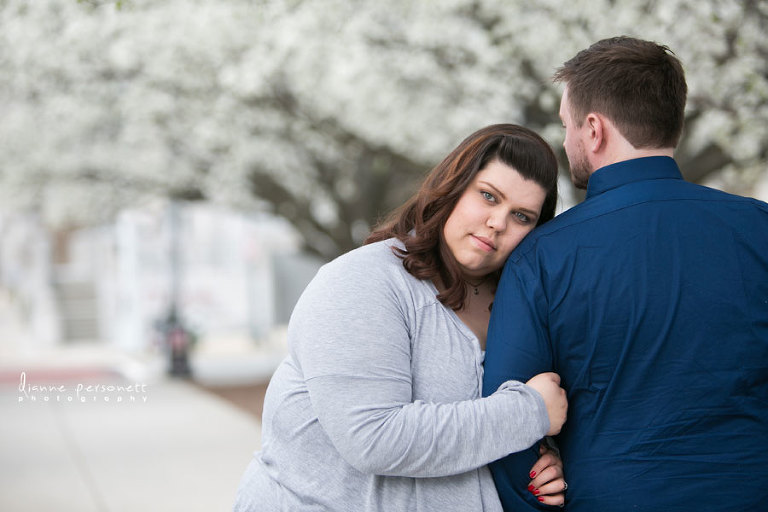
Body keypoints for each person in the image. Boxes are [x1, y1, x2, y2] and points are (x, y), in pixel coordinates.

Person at [482, 36, 768, 511]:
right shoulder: (758, 229)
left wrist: (537, 498)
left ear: (593, 130)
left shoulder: (543, 255)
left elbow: (508, 419)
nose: (567, 139)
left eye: (566, 125)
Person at [234, 124, 568, 511]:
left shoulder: (520, 306)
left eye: (522, 216)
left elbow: (507, 427)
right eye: (488, 196)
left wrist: (538, 460)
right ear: (453, 186)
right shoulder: (364, 281)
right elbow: (372, 436)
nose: (498, 223)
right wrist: (528, 414)